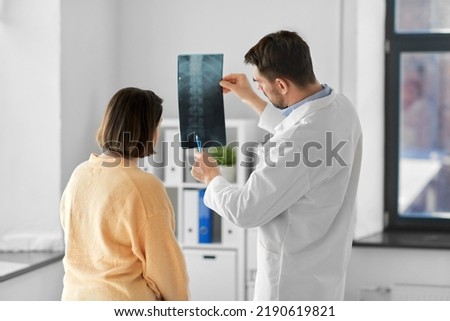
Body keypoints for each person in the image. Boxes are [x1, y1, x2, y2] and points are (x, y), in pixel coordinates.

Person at [191, 30, 363, 300]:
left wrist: (212, 178)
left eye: (260, 83)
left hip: (288, 288)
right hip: (324, 281)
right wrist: (251, 97)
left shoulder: (297, 142)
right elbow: (300, 136)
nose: (259, 86)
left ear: (282, 85)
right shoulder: (341, 108)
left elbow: (244, 210)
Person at [60, 87, 190, 300]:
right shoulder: (144, 186)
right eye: (157, 126)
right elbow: (167, 271)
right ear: (148, 131)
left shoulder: (80, 174)